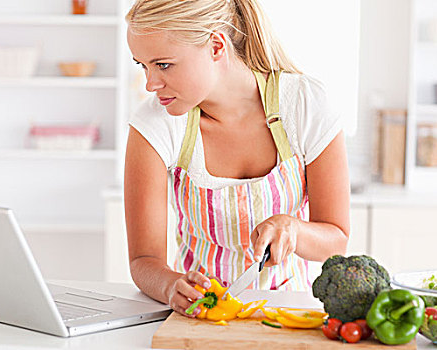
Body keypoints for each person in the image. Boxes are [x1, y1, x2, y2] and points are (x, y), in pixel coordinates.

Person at [123, 0, 350, 318]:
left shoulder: (304, 105)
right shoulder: (156, 123)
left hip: (291, 315)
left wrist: (292, 229)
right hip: (200, 317)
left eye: (163, 65)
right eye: (142, 65)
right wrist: (170, 285)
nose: (150, 84)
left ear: (216, 46)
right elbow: (143, 261)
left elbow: (336, 240)